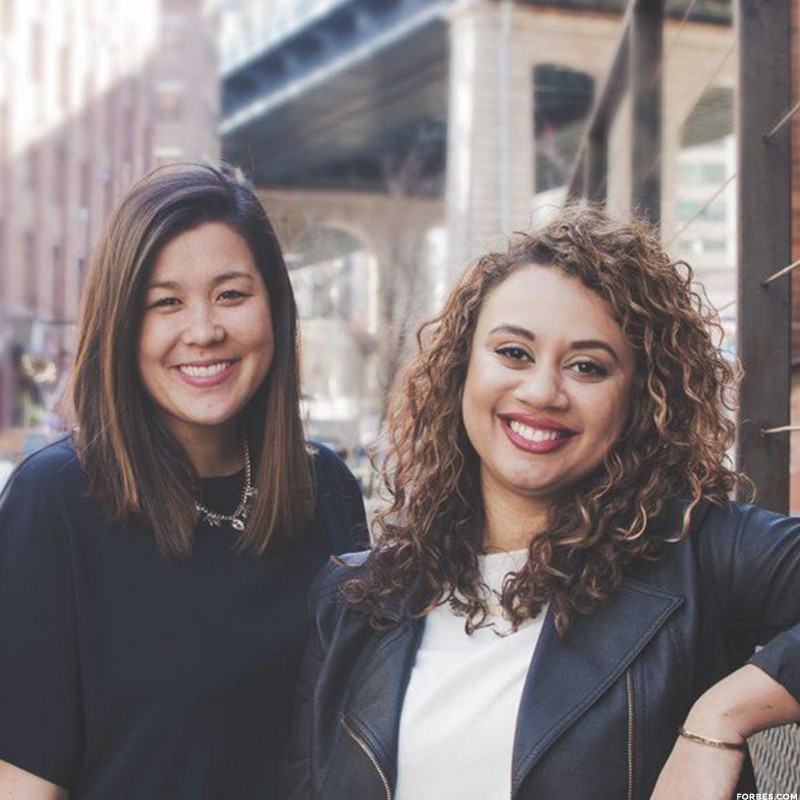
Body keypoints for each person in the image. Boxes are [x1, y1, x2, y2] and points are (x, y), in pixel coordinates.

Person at [279, 206, 800, 800]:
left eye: (587, 367)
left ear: (640, 398)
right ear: (461, 366)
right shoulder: (353, 600)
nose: (542, 391)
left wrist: (720, 720)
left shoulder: (701, 552)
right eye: (513, 353)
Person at [0, 162, 367, 800]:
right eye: (165, 302)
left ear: (275, 309)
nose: (203, 331)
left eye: (231, 295)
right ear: (121, 325)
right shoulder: (55, 501)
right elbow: (21, 783)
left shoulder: (327, 490)